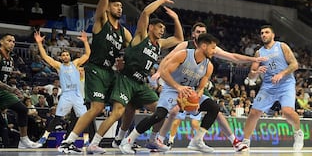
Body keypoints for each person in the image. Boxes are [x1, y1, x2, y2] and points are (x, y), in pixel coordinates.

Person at [86, 0, 183, 154]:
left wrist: (176, 18)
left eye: (163, 28)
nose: (162, 30)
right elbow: (145, 12)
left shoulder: (159, 45)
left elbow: (179, 39)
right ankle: (94, 143)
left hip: (140, 83)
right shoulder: (141, 36)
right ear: (151, 27)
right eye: (159, 27)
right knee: (118, 112)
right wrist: (161, 0)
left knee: (161, 110)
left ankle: (152, 140)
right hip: (126, 79)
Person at [149, 22, 267, 152]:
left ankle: (233, 141)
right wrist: (159, 72)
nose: (200, 34)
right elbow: (168, 58)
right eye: (198, 32)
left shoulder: (211, 48)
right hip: (179, 84)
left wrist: (252, 60)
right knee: (173, 111)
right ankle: (159, 140)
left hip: (197, 84)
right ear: (193, 34)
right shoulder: (185, 46)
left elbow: (232, 57)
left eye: (203, 32)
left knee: (215, 110)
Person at [57, 0, 133, 154]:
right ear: (108, 9)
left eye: (121, 6)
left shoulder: (123, 32)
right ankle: (68, 141)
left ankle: (114, 141)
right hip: (96, 69)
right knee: (97, 107)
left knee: (123, 106)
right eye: (116, 5)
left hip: (111, 72)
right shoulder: (101, 22)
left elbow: (135, 48)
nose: (119, 8)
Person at [119, 33, 220, 154]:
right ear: (204, 46)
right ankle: (128, 140)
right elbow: (165, 73)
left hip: (188, 92)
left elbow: (201, 87)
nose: (215, 51)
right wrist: (178, 87)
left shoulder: (209, 66)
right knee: (159, 115)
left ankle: (197, 141)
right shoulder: (184, 54)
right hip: (171, 89)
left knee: (214, 107)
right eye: (213, 48)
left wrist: (197, 98)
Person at [239, 25, 304, 151]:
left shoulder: (281, 46)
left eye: (266, 32)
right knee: (253, 113)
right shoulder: (259, 52)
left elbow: (295, 64)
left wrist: (281, 74)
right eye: (262, 33)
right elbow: (251, 75)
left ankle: (298, 132)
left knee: (287, 112)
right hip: (268, 87)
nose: (263, 34)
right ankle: (245, 142)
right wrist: (256, 72)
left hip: (286, 84)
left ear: (272, 35)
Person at [34, 30, 91, 145]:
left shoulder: (75, 64)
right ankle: (44, 137)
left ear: (69, 56)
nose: (65, 56)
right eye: (63, 55)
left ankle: (86, 141)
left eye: (67, 54)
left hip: (76, 94)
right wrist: (39, 43)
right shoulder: (59, 66)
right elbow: (45, 56)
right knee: (58, 118)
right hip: (66, 94)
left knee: (84, 118)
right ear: (61, 58)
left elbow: (87, 54)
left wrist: (85, 42)